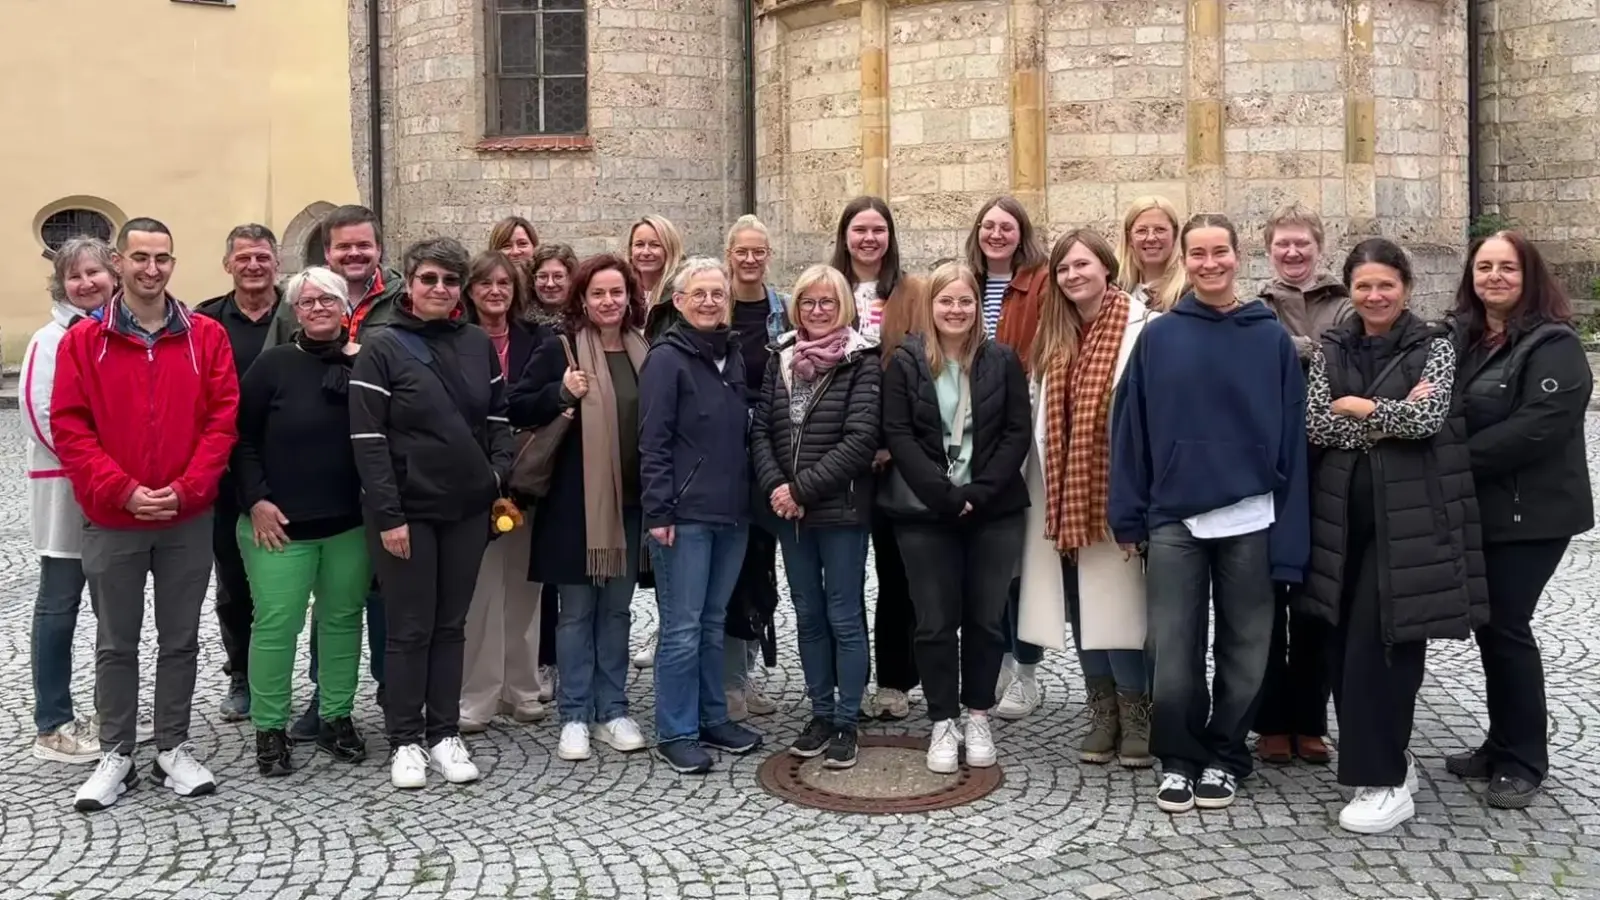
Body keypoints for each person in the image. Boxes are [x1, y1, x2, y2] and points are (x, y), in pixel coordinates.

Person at [1109, 213, 1309, 814]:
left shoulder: (1268, 336)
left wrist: (1291, 541)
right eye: (1198, 254)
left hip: (1251, 516)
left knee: (1247, 646)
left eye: (1220, 251)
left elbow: (1294, 441)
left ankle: (1226, 753)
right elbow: (1131, 431)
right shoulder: (1161, 337)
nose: (1210, 263)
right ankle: (1178, 755)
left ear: (1237, 255)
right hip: (1174, 516)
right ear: (1184, 261)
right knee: (1172, 647)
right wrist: (1128, 515)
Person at [1298, 237, 1485, 833]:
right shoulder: (1333, 345)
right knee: (1341, 647)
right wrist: (1382, 414)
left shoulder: (1434, 345)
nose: (1375, 295)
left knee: (1383, 645)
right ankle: (1385, 763)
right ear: (1350, 291)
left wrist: (1358, 407)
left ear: (1405, 287)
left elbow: (1428, 420)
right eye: (1363, 286)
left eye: (1386, 284)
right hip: (1339, 524)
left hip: (1405, 524)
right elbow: (1316, 424)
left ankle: (1382, 781)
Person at [53, 218, 239, 811]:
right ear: (119, 262)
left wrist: (186, 489)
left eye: (161, 258)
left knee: (181, 637)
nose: (150, 269)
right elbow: (71, 427)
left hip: (186, 515)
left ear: (173, 264)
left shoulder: (206, 336)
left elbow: (221, 420)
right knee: (116, 640)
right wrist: (123, 489)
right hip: (114, 516)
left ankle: (173, 746)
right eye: (139, 258)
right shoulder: (86, 341)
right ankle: (116, 752)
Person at [349, 237, 515, 790]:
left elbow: (497, 417)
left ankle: (445, 732)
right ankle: (404, 739)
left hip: (466, 508)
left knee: (450, 625)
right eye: (428, 280)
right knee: (409, 628)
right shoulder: (381, 346)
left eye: (448, 280)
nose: (439, 289)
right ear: (410, 285)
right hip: (405, 512)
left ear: (460, 289)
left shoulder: (474, 343)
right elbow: (368, 439)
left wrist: (495, 476)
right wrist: (389, 515)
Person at [1446, 231, 1594, 809]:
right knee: (1493, 628)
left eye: (1507, 268)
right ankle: (1500, 742)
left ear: (1529, 276)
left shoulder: (1553, 344)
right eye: (1484, 268)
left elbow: (1538, 426)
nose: (1495, 278)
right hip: (1485, 510)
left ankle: (1525, 760)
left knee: (1507, 626)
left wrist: (1455, 460)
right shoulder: (1471, 340)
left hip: (1532, 515)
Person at [880, 262, 1030, 774]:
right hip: (925, 511)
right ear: (931, 306)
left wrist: (980, 493)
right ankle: (943, 719)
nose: (956, 310)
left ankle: (978, 714)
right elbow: (898, 435)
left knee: (986, 621)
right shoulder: (906, 361)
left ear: (977, 307)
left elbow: (1016, 432)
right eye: (946, 301)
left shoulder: (1002, 359)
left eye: (965, 301)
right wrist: (945, 495)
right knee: (935, 621)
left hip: (994, 510)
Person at [1015, 229, 1158, 767]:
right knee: (1081, 607)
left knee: (1118, 608)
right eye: (1064, 269)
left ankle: (1136, 712)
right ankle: (1102, 711)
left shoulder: (1143, 329)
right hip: (1063, 495)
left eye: (1082, 265)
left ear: (1106, 266)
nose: (1073, 276)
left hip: (1113, 492)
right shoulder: (1054, 337)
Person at [508, 253, 653, 762]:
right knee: (575, 614)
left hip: (632, 506)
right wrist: (558, 392)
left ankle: (613, 708)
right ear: (582, 299)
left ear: (629, 298)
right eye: (598, 293)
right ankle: (573, 713)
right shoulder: (560, 349)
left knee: (616, 611)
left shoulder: (645, 349)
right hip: (576, 507)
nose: (608, 302)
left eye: (617, 293)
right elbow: (517, 405)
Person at [232, 267, 372, 776]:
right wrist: (256, 501)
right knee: (276, 625)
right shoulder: (272, 366)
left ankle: (336, 715)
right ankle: (270, 727)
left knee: (340, 621)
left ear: (344, 306)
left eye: (327, 299)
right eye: (307, 301)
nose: (317, 307)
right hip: (279, 524)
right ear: (295, 308)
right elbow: (240, 439)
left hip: (348, 524)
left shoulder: (367, 363)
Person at [25, 237, 153, 764]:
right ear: (62, 284)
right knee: (60, 604)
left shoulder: (117, 333)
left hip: (115, 489)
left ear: (113, 275)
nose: (86, 283)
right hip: (67, 491)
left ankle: (112, 712)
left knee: (113, 608)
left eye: (95, 273)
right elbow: (42, 415)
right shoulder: (50, 339)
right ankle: (52, 722)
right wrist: (99, 469)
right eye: (74, 276)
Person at [750, 264, 879, 768]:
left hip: (840, 509)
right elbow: (762, 430)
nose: (818, 311)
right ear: (795, 307)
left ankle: (848, 718)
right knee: (807, 614)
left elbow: (860, 438)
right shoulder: (779, 357)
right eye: (808, 302)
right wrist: (778, 489)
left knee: (844, 613)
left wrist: (800, 489)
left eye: (827, 302)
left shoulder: (861, 359)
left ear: (843, 306)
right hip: (791, 512)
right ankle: (820, 710)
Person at [640, 257, 765, 774]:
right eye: (700, 294)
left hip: (731, 512)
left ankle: (714, 717)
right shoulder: (666, 359)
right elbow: (652, 441)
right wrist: (658, 510)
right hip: (684, 516)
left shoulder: (730, 355)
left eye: (718, 294)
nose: (710, 301)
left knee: (714, 623)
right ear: (679, 301)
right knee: (683, 626)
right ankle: (676, 728)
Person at [281, 204, 397, 739]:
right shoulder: (303, 300)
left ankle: (393, 691)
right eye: (343, 246)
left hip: (387, 465)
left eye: (363, 245)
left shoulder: (400, 301)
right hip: (324, 471)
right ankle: (325, 700)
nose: (354, 254)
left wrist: (357, 364)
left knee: (384, 586)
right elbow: (279, 373)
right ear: (328, 251)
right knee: (331, 591)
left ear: (379, 248)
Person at [1252, 203, 1353, 766]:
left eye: (1302, 244)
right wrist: (1312, 352)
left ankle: (1310, 719)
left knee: (1316, 600)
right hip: (1269, 466)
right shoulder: (1254, 308)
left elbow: (1347, 362)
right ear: (1268, 250)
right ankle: (1270, 720)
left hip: (1328, 466)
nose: (1292, 254)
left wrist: (1293, 352)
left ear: (1319, 247)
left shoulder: (1343, 304)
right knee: (1264, 598)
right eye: (1282, 245)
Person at [830, 196, 922, 720]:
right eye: (860, 229)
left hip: (893, 454)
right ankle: (846, 682)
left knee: (896, 574)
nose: (869, 239)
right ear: (845, 236)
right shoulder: (829, 288)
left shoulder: (912, 292)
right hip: (839, 453)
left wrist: (893, 442)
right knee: (842, 578)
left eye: (878, 230)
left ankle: (895, 679)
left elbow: (919, 373)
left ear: (890, 237)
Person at [195, 223, 286, 723]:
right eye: (244, 258)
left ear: (277, 262)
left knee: (304, 580)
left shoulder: (299, 312)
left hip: (294, 470)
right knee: (234, 580)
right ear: (228, 264)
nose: (254, 265)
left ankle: (306, 681)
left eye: (263, 257)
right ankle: (242, 675)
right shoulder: (205, 321)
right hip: (226, 473)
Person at [966, 195, 1050, 718]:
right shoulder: (965, 283)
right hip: (970, 427)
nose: (996, 234)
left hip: (1020, 421)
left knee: (1021, 558)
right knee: (983, 556)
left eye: (1006, 226)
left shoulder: (1040, 282)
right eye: (988, 226)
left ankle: (1027, 670)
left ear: (1022, 233)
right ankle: (993, 657)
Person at [459, 251, 548, 731]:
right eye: (485, 283)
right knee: (482, 593)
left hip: (530, 479)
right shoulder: (460, 341)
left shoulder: (538, 339)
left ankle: (522, 688)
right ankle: (479, 694)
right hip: (478, 481)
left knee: (525, 588)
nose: (495, 291)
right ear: (470, 290)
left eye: (504, 284)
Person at [723, 214, 790, 721]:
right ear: (730, 255)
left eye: (758, 251)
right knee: (731, 564)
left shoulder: (782, 310)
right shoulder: (713, 303)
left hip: (768, 446)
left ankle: (744, 676)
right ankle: (725, 682)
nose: (750, 259)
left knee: (762, 564)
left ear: (769, 255)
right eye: (741, 251)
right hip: (723, 450)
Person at [524, 241, 578, 700]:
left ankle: (565, 658)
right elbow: (522, 399)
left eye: (559, 275)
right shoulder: (530, 330)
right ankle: (542, 658)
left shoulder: (583, 330)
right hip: (541, 457)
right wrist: (559, 394)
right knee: (542, 570)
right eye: (543, 275)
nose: (550, 282)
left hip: (577, 463)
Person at [1114, 196, 1187, 312]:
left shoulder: (1189, 293)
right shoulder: (1114, 291)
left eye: (1160, 230)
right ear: (1129, 238)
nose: (1151, 238)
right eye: (1142, 231)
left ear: (1175, 234)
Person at [630, 214, 684, 308]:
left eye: (655, 245)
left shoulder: (683, 294)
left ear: (670, 249)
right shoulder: (621, 292)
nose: (645, 252)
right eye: (639, 244)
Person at [527, 242, 577, 332]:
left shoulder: (583, 323)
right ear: (533, 280)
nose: (550, 284)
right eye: (543, 276)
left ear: (571, 279)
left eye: (558, 276)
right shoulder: (521, 323)